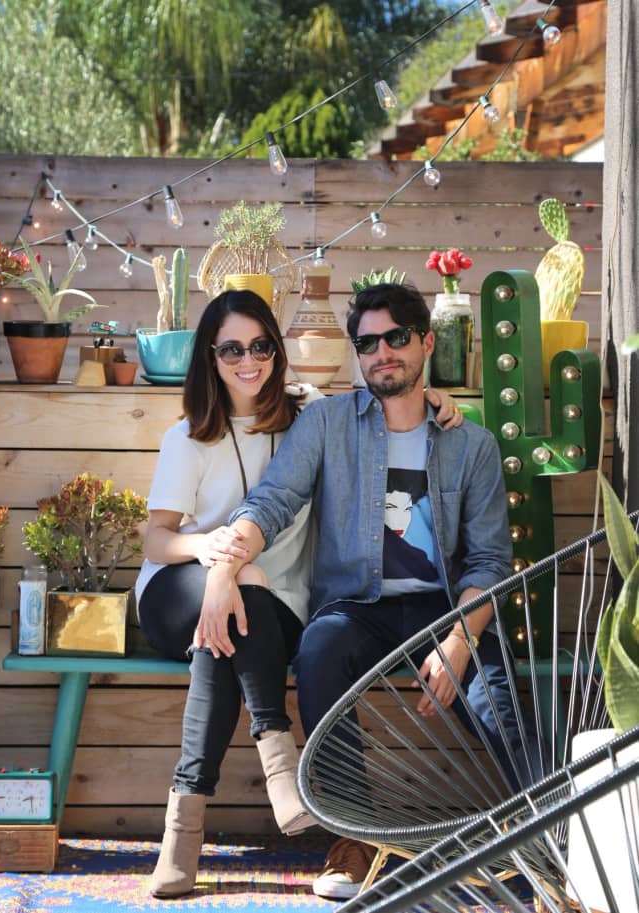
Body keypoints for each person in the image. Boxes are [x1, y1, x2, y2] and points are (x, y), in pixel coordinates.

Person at [136, 288, 461, 898]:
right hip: (176, 593)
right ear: (210, 356)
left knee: (228, 634)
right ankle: (278, 757)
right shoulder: (189, 438)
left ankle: (181, 839)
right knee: (238, 602)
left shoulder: (312, 415)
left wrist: (437, 399)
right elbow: (156, 541)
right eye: (231, 348)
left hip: (268, 606)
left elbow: (388, 398)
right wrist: (213, 561)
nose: (247, 360)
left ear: (277, 351)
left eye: (261, 345)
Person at [199, 282, 517, 900]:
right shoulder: (327, 422)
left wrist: (458, 640)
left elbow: (488, 560)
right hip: (357, 606)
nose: (382, 353)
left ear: (426, 342)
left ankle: (552, 828)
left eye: (396, 337)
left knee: (496, 703)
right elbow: (274, 499)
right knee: (320, 649)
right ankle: (352, 834)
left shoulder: (471, 444)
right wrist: (227, 557)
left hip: (443, 609)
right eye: (367, 342)